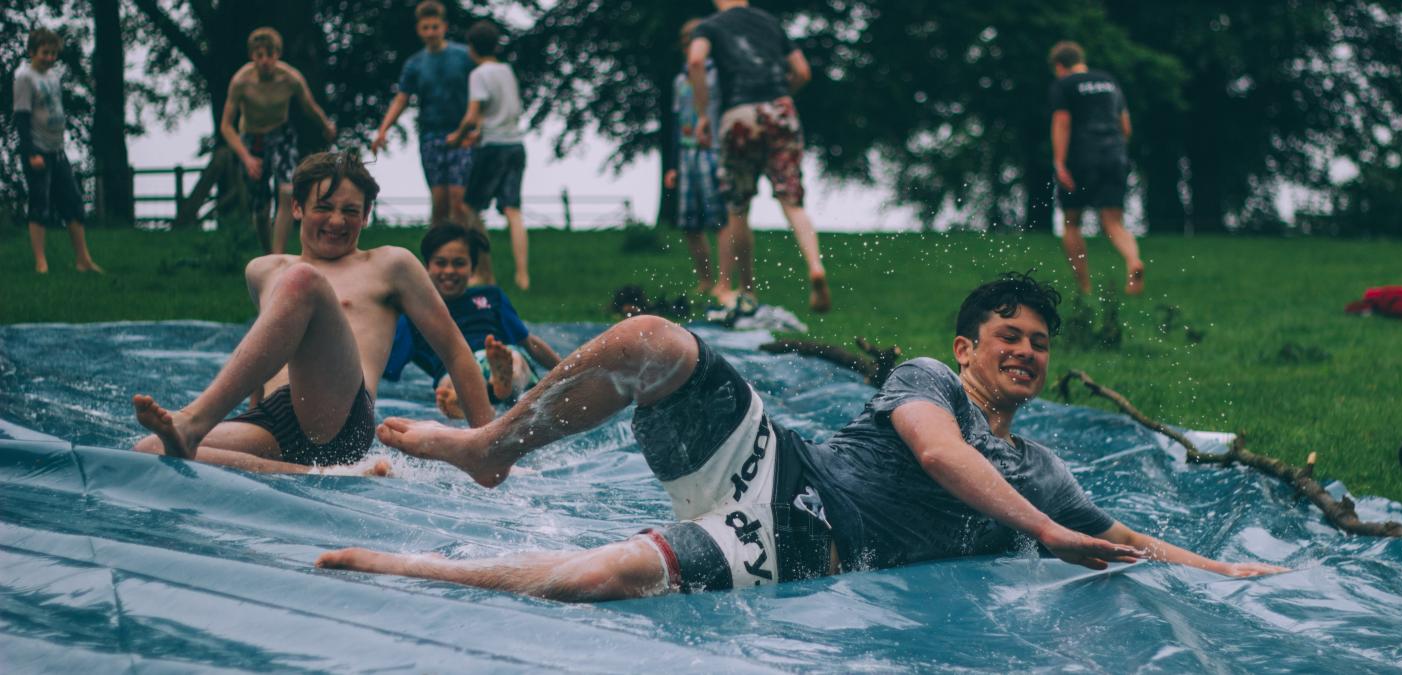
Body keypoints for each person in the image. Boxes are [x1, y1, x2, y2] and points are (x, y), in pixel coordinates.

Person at [317, 272, 1287, 600]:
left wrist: (1217, 572)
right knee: (655, 340)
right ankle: (495, 445)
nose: (1026, 356)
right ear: (967, 346)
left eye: (1039, 345)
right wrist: (1050, 531)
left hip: (814, 545)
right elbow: (940, 456)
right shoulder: (929, 381)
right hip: (781, 469)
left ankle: (408, 571)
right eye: (1009, 339)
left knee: (598, 581)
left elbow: (1119, 537)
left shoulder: (1042, 469)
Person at [130, 152, 494, 475]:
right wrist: (250, 412)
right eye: (324, 207)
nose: (337, 221)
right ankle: (319, 473)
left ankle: (193, 421)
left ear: (366, 215)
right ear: (298, 208)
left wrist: (487, 448)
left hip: (339, 417)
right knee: (148, 451)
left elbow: (455, 351)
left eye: (350, 211)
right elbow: (268, 349)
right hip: (273, 419)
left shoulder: (390, 265)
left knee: (303, 280)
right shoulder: (263, 270)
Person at [688, 0, 831, 315]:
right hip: (779, 108)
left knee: (738, 207)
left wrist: (702, 115)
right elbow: (802, 71)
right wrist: (781, 100)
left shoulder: (710, 26)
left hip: (739, 113)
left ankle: (747, 290)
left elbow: (696, 61)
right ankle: (815, 268)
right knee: (792, 200)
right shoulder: (769, 22)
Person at [383, 224, 561, 419]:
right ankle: (461, 400)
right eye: (441, 263)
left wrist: (564, 369)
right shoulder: (415, 314)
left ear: (473, 268)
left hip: (495, 356)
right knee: (449, 382)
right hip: (453, 370)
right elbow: (386, 361)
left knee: (515, 361)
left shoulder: (490, 296)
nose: (449, 271)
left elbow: (527, 341)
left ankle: (498, 386)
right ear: (427, 266)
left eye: (459, 263)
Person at [219, 27, 338, 254]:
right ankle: (268, 256)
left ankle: (279, 254)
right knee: (261, 208)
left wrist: (325, 124)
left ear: (278, 54)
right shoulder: (241, 82)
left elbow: (309, 106)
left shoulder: (290, 78)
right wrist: (246, 158)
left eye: (270, 55)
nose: (265, 61)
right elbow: (226, 126)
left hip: (281, 135)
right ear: (252, 56)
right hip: (252, 140)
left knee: (286, 191)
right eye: (259, 55)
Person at [1048, 41, 1143, 296]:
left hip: (1081, 156)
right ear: (1080, 59)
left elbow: (1062, 122)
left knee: (1072, 222)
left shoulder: (1064, 85)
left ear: (1059, 66)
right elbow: (1126, 126)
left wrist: (1059, 162)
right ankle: (1133, 261)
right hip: (1114, 154)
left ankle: (1085, 287)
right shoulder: (1108, 81)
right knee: (1113, 222)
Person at [371, 0, 476, 228]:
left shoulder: (464, 57)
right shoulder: (415, 64)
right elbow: (402, 99)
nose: (430, 32)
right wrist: (383, 130)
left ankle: (467, 255)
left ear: (444, 27)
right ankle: (435, 258)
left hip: (462, 133)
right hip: (431, 135)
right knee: (440, 203)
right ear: (419, 29)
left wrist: (477, 126)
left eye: (435, 27)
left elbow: (480, 93)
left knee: (459, 201)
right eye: (426, 28)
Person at [13, 27, 101, 275]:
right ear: (32, 52)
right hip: (37, 150)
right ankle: (41, 263)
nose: (50, 57)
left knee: (73, 202)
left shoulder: (53, 76)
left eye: (53, 53)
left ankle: (83, 259)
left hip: (57, 150)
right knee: (40, 205)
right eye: (45, 53)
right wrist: (31, 153)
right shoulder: (24, 78)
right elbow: (21, 118)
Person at [450, 20, 529, 290]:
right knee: (513, 210)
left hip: (493, 147)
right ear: (496, 45)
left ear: (471, 48)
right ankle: (522, 276)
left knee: (470, 208)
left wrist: (458, 137)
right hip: (515, 144)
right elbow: (499, 110)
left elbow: (473, 114)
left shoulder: (479, 74)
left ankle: (484, 272)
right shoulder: (507, 71)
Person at [663, 18, 725, 296]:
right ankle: (705, 280)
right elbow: (678, 122)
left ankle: (725, 282)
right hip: (687, 153)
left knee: (720, 218)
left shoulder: (718, 75)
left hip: (712, 151)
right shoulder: (680, 80)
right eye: (686, 39)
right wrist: (673, 164)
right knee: (690, 222)